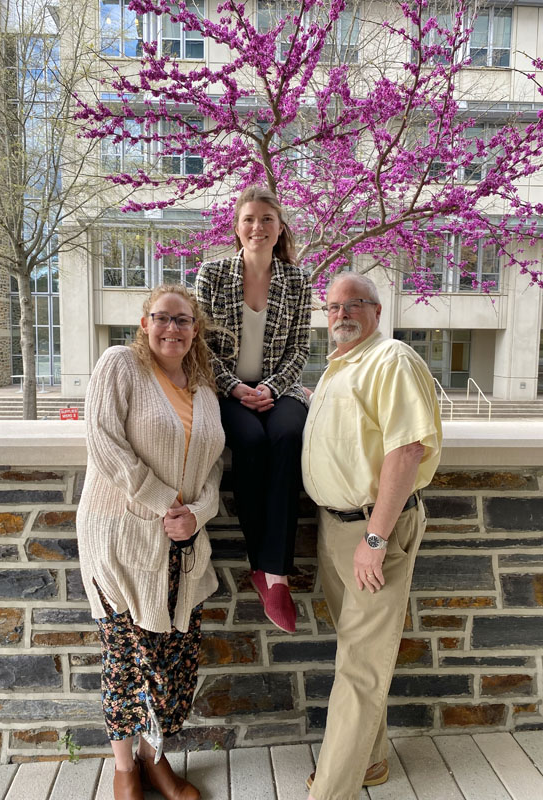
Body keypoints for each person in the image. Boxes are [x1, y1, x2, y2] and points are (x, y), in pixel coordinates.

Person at [76, 285, 225, 800]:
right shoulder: (121, 365)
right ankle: (124, 770)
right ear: (145, 323)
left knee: (171, 662)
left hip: (180, 547)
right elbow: (102, 438)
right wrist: (166, 501)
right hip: (120, 537)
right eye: (162, 318)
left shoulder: (203, 386)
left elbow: (213, 469)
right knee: (126, 657)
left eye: (183, 320)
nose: (173, 329)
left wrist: (198, 514)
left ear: (195, 328)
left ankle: (155, 758)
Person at [301, 272, 442, 800]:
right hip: (338, 528)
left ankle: (330, 792)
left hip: (372, 531)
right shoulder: (343, 366)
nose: (341, 314)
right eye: (334, 306)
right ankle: (373, 762)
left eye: (355, 304)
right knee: (358, 652)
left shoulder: (393, 360)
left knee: (359, 667)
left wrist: (376, 539)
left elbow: (407, 451)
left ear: (377, 312)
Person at [195, 185, 312, 633]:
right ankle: (259, 562)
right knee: (251, 441)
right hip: (226, 391)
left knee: (285, 436)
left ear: (280, 227)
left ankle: (275, 574)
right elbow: (202, 346)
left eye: (267, 219)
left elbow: (300, 347)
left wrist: (270, 386)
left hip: (279, 390)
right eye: (249, 219)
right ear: (237, 227)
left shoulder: (296, 281)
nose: (258, 227)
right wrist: (236, 388)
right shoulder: (213, 274)